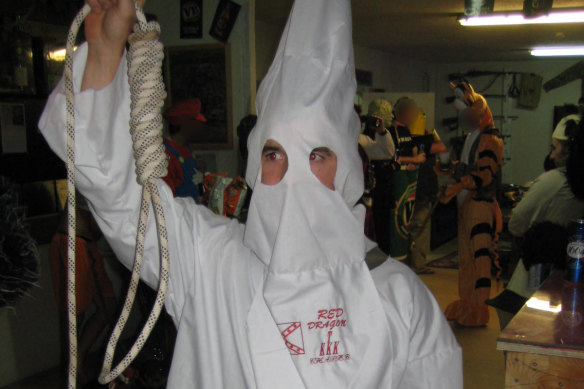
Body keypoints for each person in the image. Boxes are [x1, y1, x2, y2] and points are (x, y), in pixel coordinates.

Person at [39, 0, 462, 387]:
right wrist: (105, 46)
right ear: (256, 166)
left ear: (348, 168)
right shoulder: (208, 259)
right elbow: (117, 195)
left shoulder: (401, 298)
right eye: (275, 154)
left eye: (316, 154)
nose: (292, 175)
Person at [444, 82, 504, 327]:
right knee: (467, 258)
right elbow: (468, 169)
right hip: (466, 205)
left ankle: (480, 307)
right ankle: (466, 302)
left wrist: (458, 185)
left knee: (480, 259)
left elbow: (484, 175)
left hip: (480, 205)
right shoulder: (472, 138)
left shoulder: (490, 139)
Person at [505, 115, 584, 298]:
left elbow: (516, 223)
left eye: (554, 148)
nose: (551, 155)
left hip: (536, 271)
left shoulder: (553, 181)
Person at [50, 195, 116, 383]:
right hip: (72, 243)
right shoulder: (85, 173)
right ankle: (70, 373)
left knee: (108, 305)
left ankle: (77, 360)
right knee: (73, 316)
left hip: (87, 244)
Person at [387, 97, 426, 261]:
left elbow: (411, 153)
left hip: (409, 183)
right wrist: (414, 160)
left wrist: (414, 159)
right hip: (398, 183)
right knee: (398, 219)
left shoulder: (408, 132)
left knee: (407, 220)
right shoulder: (390, 132)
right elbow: (392, 159)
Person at [358, 99, 398, 254]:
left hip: (371, 195)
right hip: (351, 197)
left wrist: (381, 131)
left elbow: (387, 153)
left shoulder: (362, 140)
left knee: (377, 235)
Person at [409, 120, 447, 275]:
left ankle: (415, 262)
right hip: (421, 191)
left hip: (422, 190)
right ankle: (418, 263)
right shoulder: (422, 141)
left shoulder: (410, 139)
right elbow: (442, 147)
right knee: (420, 226)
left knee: (419, 226)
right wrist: (433, 135)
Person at [161, 99, 207, 202]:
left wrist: (204, 189)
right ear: (185, 125)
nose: (200, 128)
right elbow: (167, 200)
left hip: (196, 213)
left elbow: (200, 188)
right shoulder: (166, 155)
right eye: (197, 123)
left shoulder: (187, 150)